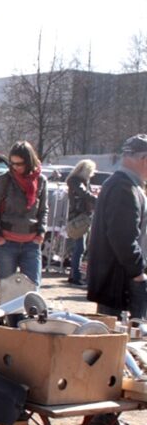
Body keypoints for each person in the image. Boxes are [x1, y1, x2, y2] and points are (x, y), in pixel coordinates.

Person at [87, 136, 147, 318]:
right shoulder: (124, 188)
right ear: (144, 159)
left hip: (118, 281)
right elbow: (122, 237)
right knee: (123, 340)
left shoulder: (123, 185)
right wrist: (138, 272)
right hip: (120, 284)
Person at [0, 140, 48, 288]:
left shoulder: (41, 181)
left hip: (31, 243)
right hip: (6, 243)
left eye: (19, 164)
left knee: (32, 290)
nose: (15, 167)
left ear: (29, 161)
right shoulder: (4, 180)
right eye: (12, 163)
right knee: (7, 291)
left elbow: (43, 210)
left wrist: (41, 232)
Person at [66, 159, 97, 286]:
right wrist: (97, 199)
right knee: (80, 248)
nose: (92, 174)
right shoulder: (76, 181)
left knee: (79, 248)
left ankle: (74, 275)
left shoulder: (76, 181)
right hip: (79, 216)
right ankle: (76, 277)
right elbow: (83, 193)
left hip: (80, 215)